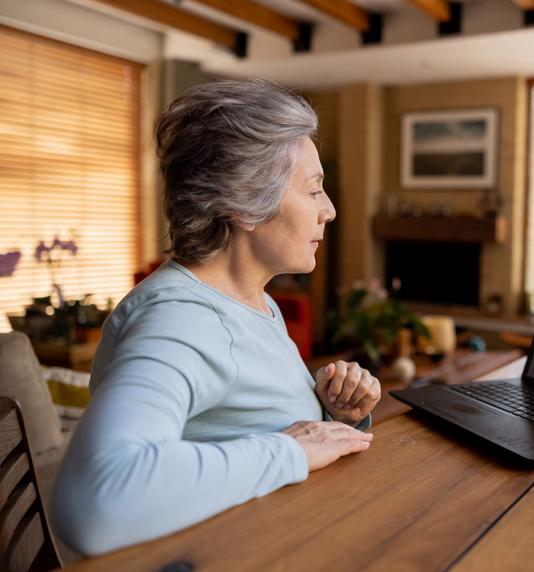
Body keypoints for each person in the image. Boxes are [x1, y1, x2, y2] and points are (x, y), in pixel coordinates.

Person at [51, 79, 380, 556]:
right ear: (245, 202)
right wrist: (291, 450)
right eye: (313, 191)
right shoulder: (182, 319)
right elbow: (95, 499)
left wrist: (333, 413)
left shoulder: (252, 301)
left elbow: (238, 421)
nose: (328, 210)